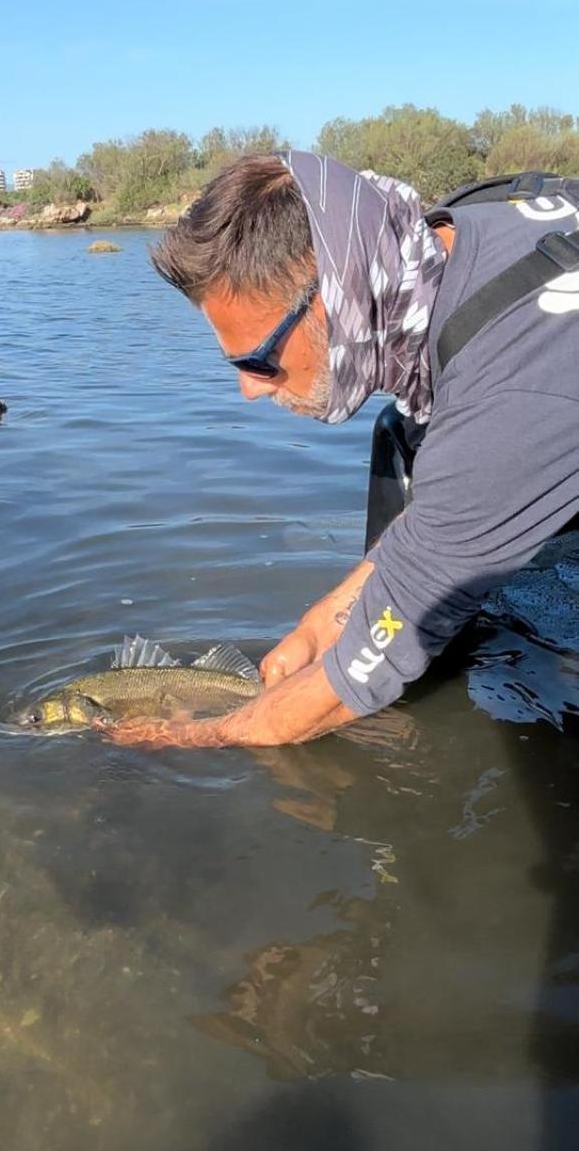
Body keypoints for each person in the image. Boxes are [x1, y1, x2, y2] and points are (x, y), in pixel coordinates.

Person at [93, 150, 579, 750]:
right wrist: (319, 627)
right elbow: (425, 547)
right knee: (398, 434)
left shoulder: (507, 402)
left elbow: (354, 674)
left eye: (257, 360)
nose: (247, 389)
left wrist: (207, 733)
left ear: (334, 301)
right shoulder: (438, 246)